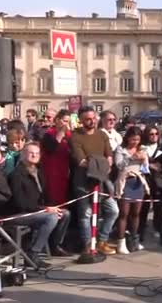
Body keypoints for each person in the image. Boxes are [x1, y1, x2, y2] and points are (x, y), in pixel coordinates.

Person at [4, 142, 71, 267]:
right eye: (31, 153)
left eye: (37, 153)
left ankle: (54, 245)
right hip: (18, 213)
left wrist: (52, 206)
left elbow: (46, 195)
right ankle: (32, 253)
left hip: (36, 210)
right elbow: (20, 203)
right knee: (51, 217)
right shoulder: (16, 175)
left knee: (65, 213)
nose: (34, 155)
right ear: (23, 154)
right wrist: (45, 209)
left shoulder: (39, 172)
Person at [69, 106, 119, 255]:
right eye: (88, 119)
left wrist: (102, 163)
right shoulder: (75, 136)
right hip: (83, 182)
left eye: (93, 118)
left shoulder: (102, 135)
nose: (91, 121)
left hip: (102, 181)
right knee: (86, 214)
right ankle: (88, 244)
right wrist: (101, 163)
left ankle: (102, 240)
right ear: (81, 121)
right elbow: (82, 161)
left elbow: (109, 156)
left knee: (113, 210)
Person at [114, 126, 150, 254]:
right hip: (125, 182)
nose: (135, 142)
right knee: (124, 213)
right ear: (128, 138)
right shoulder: (120, 149)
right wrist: (132, 157)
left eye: (137, 140)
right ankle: (121, 242)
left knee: (136, 213)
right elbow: (118, 165)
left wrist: (145, 160)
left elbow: (146, 168)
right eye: (133, 139)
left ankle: (134, 240)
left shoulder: (143, 149)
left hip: (138, 181)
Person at [138, 124, 162, 245]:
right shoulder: (141, 147)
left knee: (159, 210)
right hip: (144, 181)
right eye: (151, 134)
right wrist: (150, 165)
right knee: (143, 210)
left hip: (159, 181)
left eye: (156, 134)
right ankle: (140, 235)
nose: (154, 136)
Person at [40, 109, 72, 206]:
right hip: (51, 171)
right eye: (65, 121)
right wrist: (60, 134)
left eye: (68, 122)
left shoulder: (69, 135)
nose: (66, 124)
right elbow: (50, 148)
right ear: (57, 120)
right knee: (52, 197)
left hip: (64, 170)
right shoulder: (48, 134)